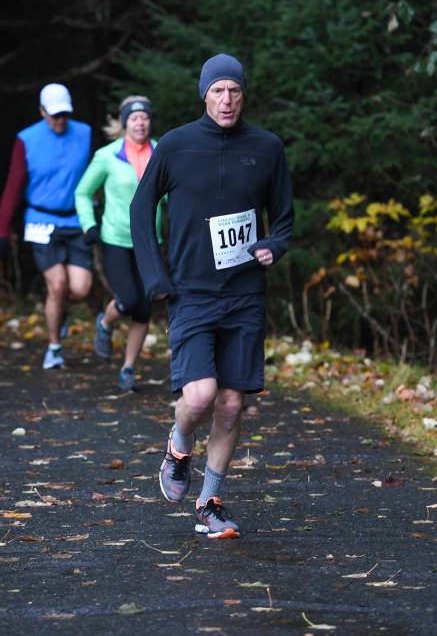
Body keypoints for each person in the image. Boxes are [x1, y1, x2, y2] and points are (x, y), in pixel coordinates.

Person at [130, 54, 294, 539]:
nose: (227, 100)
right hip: (192, 292)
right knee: (199, 396)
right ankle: (179, 445)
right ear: (204, 94)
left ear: (244, 95)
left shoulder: (266, 148)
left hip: (245, 293)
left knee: (230, 404)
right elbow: (142, 211)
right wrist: (154, 275)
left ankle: (210, 501)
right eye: (218, 91)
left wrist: (272, 246)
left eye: (235, 92)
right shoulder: (177, 145)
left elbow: (283, 217)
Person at [0, 83, 93, 370]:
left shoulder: (84, 134)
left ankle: (59, 313)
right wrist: (2, 230)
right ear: (42, 112)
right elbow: (13, 187)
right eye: (54, 115)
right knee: (57, 283)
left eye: (64, 114)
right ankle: (54, 347)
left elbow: (92, 177)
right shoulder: (27, 139)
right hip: (40, 220)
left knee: (80, 289)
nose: (60, 120)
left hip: (75, 219)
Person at [75, 95, 162, 391]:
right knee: (127, 299)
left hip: (150, 241)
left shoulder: (162, 152)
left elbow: (176, 193)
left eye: (145, 117)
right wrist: (89, 225)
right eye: (134, 118)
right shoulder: (108, 156)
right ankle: (105, 323)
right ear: (124, 123)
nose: (140, 122)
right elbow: (83, 193)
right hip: (116, 238)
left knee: (144, 309)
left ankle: (128, 368)